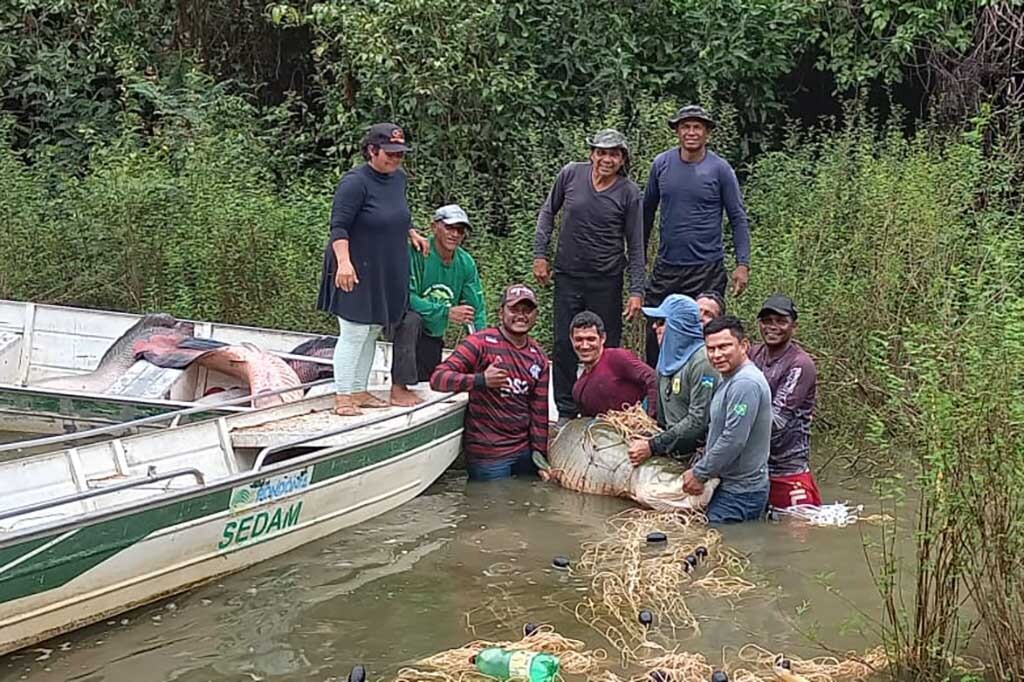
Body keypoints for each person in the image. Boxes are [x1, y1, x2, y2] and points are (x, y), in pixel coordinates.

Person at [317, 122, 429, 416]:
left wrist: (411, 232)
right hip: (354, 267)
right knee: (354, 331)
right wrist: (343, 262)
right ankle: (342, 396)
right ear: (372, 150)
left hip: (386, 267)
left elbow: (397, 213)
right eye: (389, 153)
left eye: (400, 154)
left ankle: (359, 389)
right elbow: (338, 227)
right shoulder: (354, 182)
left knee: (372, 331)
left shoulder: (398, 179)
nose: (395, 159)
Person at [533, 129, 646, 423]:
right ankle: (566, 412)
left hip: (606, 279)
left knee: (606, 348)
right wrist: (540, 255)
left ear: (623, 159)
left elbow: (635, 244)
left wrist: (636, 291)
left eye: (614, 154)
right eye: (602, 152)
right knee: (563, 343)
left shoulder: (629, 192)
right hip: (568, 274)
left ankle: (603, 410)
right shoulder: (571, 174)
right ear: (591, 153)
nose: (607, 159)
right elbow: (548, 213)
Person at [642, 105, 752, 367]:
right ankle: (657, 395)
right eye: (685, 127)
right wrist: (639, 256)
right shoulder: (661, 165)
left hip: (707, 268)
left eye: (697, 127)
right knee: (656, 330)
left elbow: (737, 217)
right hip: (668, 267)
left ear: (707, 133)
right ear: (677, 131)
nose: (691, 132)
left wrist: (742, 264)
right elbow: (645, 212)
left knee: (707, 334)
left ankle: (705, 391)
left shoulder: (720, 169)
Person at [430, 284, 550, 481]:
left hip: (524, 452)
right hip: (488, 455)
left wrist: (540, 457)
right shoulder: (480, 343)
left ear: (535, 315)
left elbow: (539, 414)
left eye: (527, 310)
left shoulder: (539, 357)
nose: (521, 316)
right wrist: (481, 380)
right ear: (501, 312)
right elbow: (438, 378)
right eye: (514, 309)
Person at [388, 204, 487, 406]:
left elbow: (476, 309)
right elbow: (405, 297)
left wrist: (483, 350)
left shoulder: (465, 262)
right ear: (434, 227)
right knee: (411, 319)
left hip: (433, 331)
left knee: (429, 383)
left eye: (460, 230)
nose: (455, 234)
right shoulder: (417, 251)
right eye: (449, 227)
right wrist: (446, 312)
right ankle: (398, 388)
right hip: (399, 321)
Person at [682, 316, 771, 524]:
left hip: (741, 493)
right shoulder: (729, 378)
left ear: (744, 346)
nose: (717, 355)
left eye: (724, 346)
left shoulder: (745, 383)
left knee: (722, 549)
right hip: (729, 486)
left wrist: (700, 473)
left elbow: (733, 439)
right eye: (711, 349)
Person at [748, 294, 822, 508]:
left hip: (788, 466)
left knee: (797, 535)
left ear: (794, 327)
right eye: (767, 321)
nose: (772, 327)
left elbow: (777, 419)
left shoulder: (800, 364)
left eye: (781, 321)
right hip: (756, 465)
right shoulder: (753, 353)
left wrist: (733, 430)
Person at [627, 295, 717, 465]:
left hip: (698, 458)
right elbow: (660, 418)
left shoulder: (704, 361)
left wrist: (653, 446)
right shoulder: (665, 360)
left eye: (661, 322)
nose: (654, 327)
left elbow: (698, 421)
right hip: (669, 450)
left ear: (678, 326)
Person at [569, 311, 657, 418]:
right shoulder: (578, 389)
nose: (584, 346)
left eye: (591, 339)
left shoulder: (617, 357)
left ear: (603, 338)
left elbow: (653, 378)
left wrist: (648, 417)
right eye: (579, 340)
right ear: (571, 340)